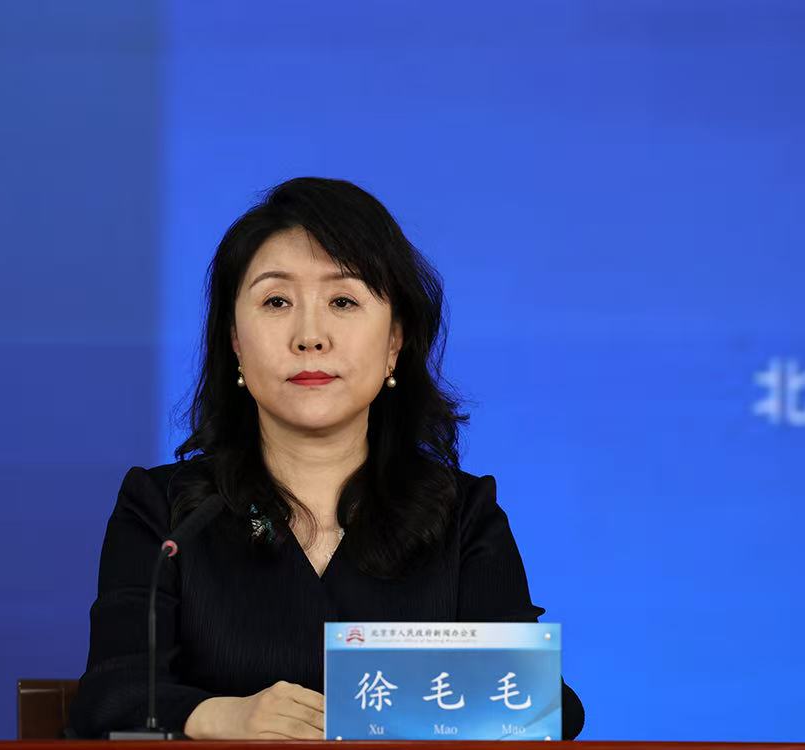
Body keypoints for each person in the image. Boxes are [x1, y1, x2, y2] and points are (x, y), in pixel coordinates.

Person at [68, 177, 585, 740]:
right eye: (276, 301)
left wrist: (368, 708)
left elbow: (544, 707)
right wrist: (222, 717)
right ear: (235, 341)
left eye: (343, 301)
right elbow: (109, 696)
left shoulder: (462, 514)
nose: (310, 336)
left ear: (394, 343)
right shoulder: (168, 513)